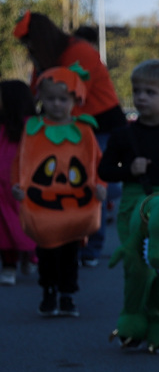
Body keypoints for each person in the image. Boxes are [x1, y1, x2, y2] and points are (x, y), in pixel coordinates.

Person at [14, 11, 128, 266]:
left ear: (40, 38)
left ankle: (90, 246)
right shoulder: (47, 58)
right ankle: (69, 242)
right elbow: (36, 91)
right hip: (69, 128)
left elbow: (72, 95)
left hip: (101, 125)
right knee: (71, 186)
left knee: (98, 186)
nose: (28, 48)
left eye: (29, 42)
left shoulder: (78, 52)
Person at [99, 59, 159, 351]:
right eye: (137, 91)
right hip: (133, 204)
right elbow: (104, 171)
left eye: (149, 92)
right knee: (138, 265)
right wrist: (129, 169)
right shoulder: (122, 135)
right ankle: (132, 318)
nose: (141, 97)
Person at [12, 65, 104, 316]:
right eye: (50, 98)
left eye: (63, 99)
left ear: (76, 99)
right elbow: (21, 162)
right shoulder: (33, 130)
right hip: (42, 210)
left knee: (70, 255)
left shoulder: (84, 131)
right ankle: (49, 290)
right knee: (47, 252)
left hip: (75, 208)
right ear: (40, 98)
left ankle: (67, 294)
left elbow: (96, 162)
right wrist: (17, 186)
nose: (56, 104)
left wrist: (100, 187)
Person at [0, 80, 37, 286]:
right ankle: (9, 264)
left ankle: (27, 255)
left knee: (21, 224)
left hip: (22, 186)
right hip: (2, 187)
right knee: (4, 228)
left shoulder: (33, 127)